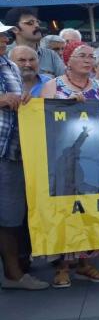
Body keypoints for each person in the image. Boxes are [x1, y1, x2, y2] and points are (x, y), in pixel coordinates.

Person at [39, 42, 99, 287]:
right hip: (63, 160)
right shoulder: (54, 85)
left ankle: (85, 262)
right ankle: (62, 265)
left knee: (89, 210)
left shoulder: (98, 85)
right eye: (82, 56)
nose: (88, 60)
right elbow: (42, 118)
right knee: (65, 210)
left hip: (92, 157)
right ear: (68, 60)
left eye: (92, 56)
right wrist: (65, 104)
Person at [0, 32, 49, 290]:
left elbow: (18, 100)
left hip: (11, 149)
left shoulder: (9, 66)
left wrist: (25, 100)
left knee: (10, 216)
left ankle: (13, 273)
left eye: (5, 35)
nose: (4, 39)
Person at [4, 8, 65, 77]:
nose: (37, 26)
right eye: (30, 23)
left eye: (37, 22)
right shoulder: (4, 55)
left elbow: (64, 83)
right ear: (14, 29)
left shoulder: (51, 55)